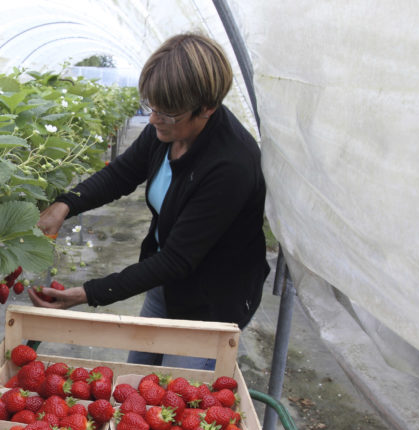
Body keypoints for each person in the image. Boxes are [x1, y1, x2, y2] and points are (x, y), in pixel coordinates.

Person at [30, 32, 270, 369]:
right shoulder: (167, 127)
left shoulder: (231, 165)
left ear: (207, 108)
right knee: (138, 375)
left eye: (167, 113)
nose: (154, 119)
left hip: (211, 301)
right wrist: (65, 205)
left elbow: (177, 260)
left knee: (174, 397)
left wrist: (87, 294)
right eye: (152, 107)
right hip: (167, 283)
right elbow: (121, 175)